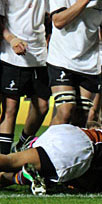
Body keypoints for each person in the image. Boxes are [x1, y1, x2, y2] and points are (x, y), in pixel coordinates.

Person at [0, 123, 102, 195]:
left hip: (67, 134)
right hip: (76, 149)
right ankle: (27, 176)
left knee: (10, 161)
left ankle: (23, 176)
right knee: (46, 175)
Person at [47, 0, 102, 127]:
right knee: (66, 111)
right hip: (62, 58)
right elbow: (58, 21)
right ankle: (44, 146)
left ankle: (70, 147)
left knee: (81, 118)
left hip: (89, 64)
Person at [0, 0, 51, 154]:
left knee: (42, 107)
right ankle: (3, 163)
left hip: (40, 56)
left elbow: (51, 18)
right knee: (10, 109)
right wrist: (11, 39)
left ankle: (22, 144)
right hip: (11, 56)